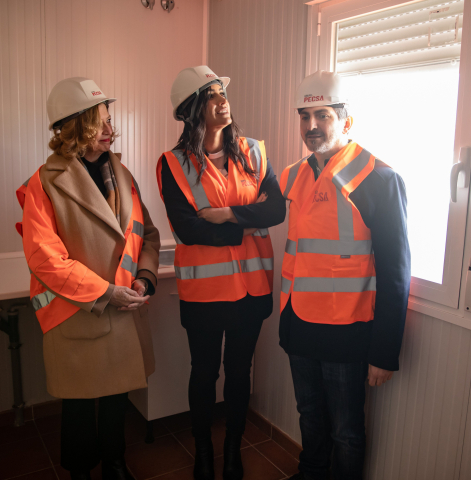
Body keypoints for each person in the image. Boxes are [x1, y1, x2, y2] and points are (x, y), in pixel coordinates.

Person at [16, 77, 160, 480]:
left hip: (123, 309)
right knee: (78, 404)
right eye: (101, 122)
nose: (112, 129)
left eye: (111, 120)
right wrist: (106, 292)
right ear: (75, 126)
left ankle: (115, 465)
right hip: (77, 312)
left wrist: (144, 278)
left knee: (116, 398)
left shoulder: (123, 174)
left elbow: (147, 234)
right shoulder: (45, 182)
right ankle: (80, 472)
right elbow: (45, 260)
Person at [279, 70, 411, 480]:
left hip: (348, 331)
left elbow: (395, 273)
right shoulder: (294, 175)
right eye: (305, 116)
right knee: (309, 415)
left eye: (323, 115)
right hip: (300, 324)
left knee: (347, 432)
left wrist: (383, 352)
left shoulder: (380, 180)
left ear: (346, 121)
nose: (312, 125)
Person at [156, 66, 286, 480]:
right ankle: (203, 451)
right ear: (191, 109)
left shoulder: (253, 153)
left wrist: (227, 214)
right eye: (210, 95)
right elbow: (188, 229)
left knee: (239, 373)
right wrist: (247, 222)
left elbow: (276, 210)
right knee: (204, 373)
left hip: (252, 290)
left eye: (222, 93)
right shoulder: (174, 164)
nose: (221, 101)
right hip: (205, 295)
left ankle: (232, 450)